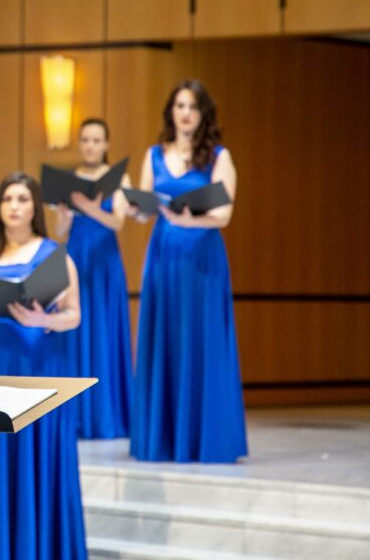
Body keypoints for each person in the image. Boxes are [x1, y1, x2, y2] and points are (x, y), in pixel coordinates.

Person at [0, 172, 86, 560]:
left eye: (23, 199)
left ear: (34, 208)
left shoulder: (55, 255)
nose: (14, 206)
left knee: (37, 454)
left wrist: (43, 319)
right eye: (7, 198)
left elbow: (74, 315)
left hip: (38, 367)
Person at [129, 79, 248, 463]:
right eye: (180, 106)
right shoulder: (153, 154)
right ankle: (163, 439)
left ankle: (206, 439)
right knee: (165, 337)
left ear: (203, 114)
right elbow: (145, 209)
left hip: (202, 261)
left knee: (203, 340)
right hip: (163, 257)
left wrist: (188, 219)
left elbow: (223, 215)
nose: (185, 113)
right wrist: (134, 206)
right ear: (171, 112)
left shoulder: (219, 156)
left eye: (193, 107)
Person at [54, 118, 134, 439]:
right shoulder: (69, 180)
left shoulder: (118, 178)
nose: (90, 145)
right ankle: (77, 417)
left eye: (96, 140)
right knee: (76, 333)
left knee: (104, 331)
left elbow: (118, 222)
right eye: (85, 139)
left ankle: (106, 417)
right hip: (76, 259)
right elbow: (61, 232)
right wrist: (64, 216)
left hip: (105, 263)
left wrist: (88, 206)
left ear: (106, 144)